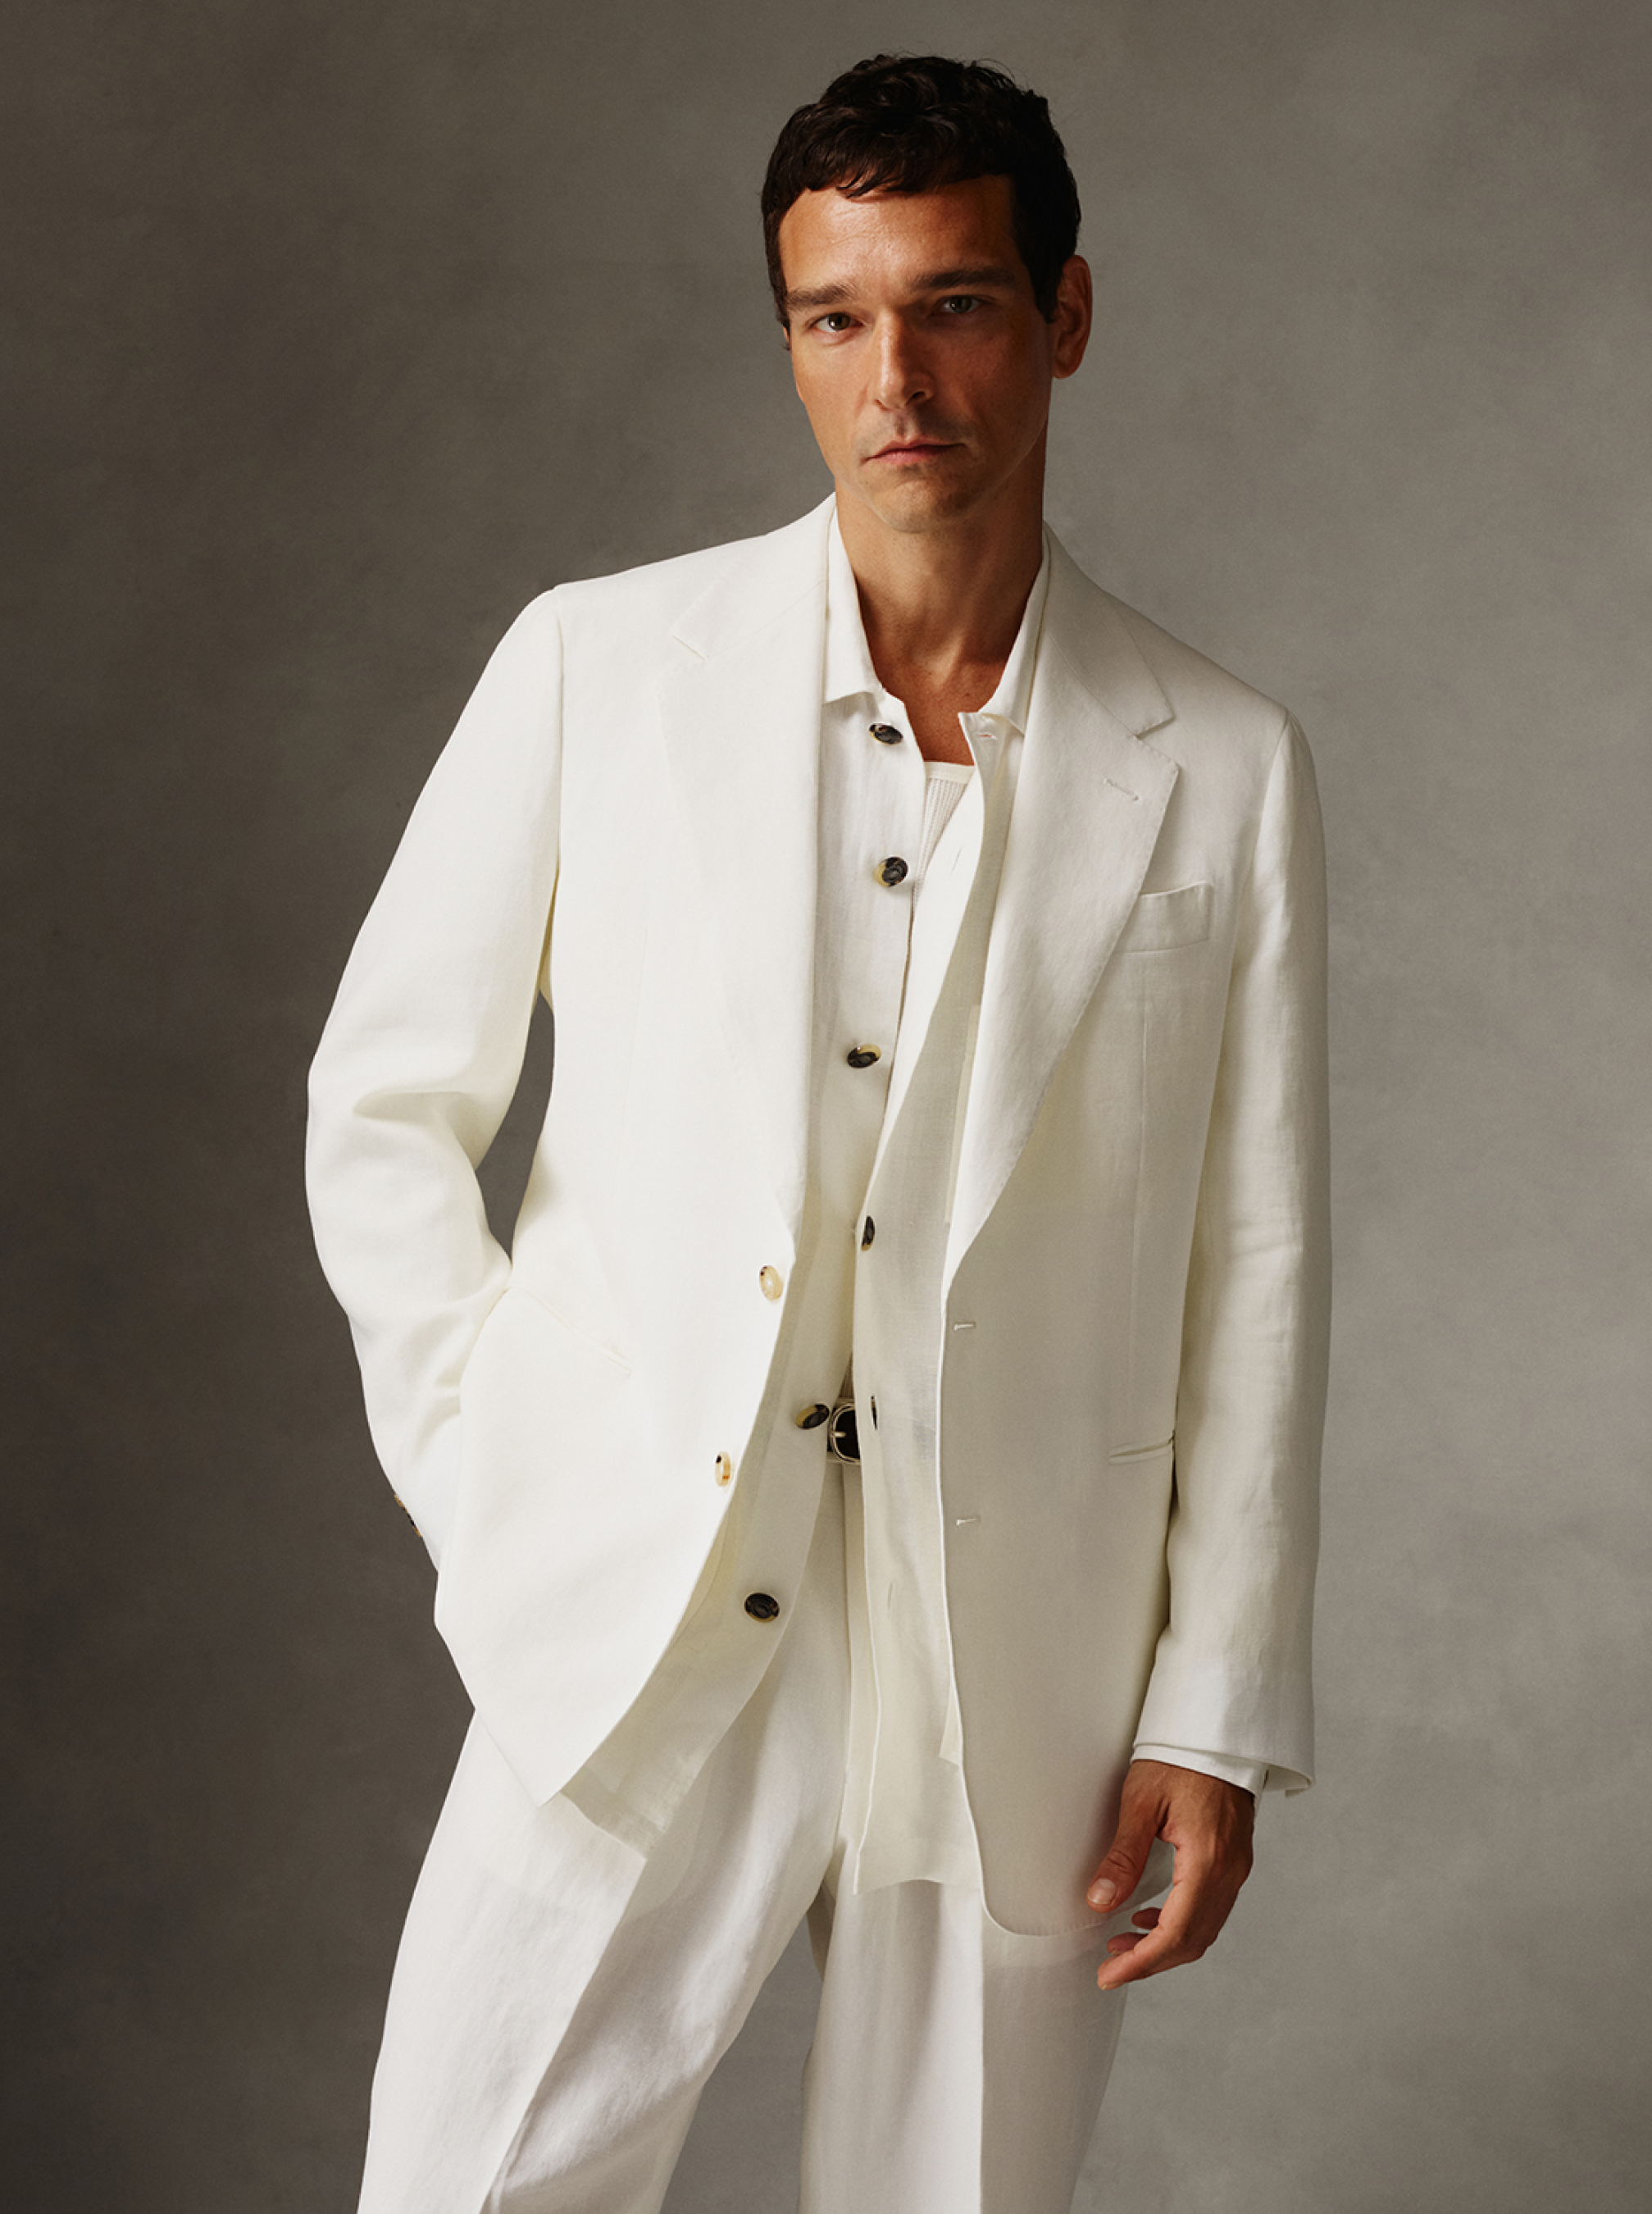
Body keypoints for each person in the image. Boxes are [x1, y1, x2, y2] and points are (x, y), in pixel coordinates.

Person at [305, 52, 1329, 2214]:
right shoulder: (597, 666)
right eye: (836, 318)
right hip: (644, 1603)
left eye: (953, 305)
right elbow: (381, 1104)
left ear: (1064, 313)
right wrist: (493, 1463)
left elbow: (1254, 1263)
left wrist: (1213, 1702)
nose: (896, 382)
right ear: (789, 338)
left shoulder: (1224, 764)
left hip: (1022, 1662)